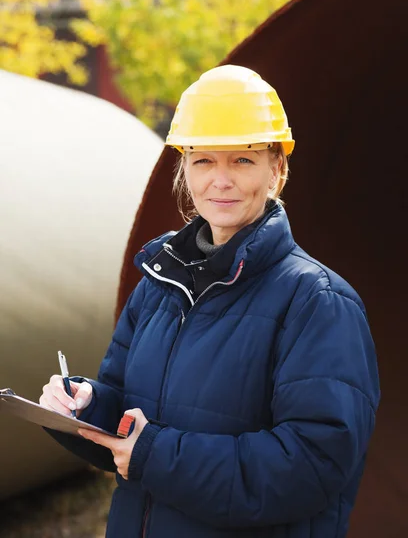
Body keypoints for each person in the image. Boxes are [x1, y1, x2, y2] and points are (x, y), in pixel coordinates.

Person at [40, 65, 380, 538]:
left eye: (242, 160)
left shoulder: (317, 302)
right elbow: (126, 420)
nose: (220, 180)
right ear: (184, 169)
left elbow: (312, 466)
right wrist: (84, 407)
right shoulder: (158, 284)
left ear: (276, 170)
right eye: (203, 160)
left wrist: (153, 453)